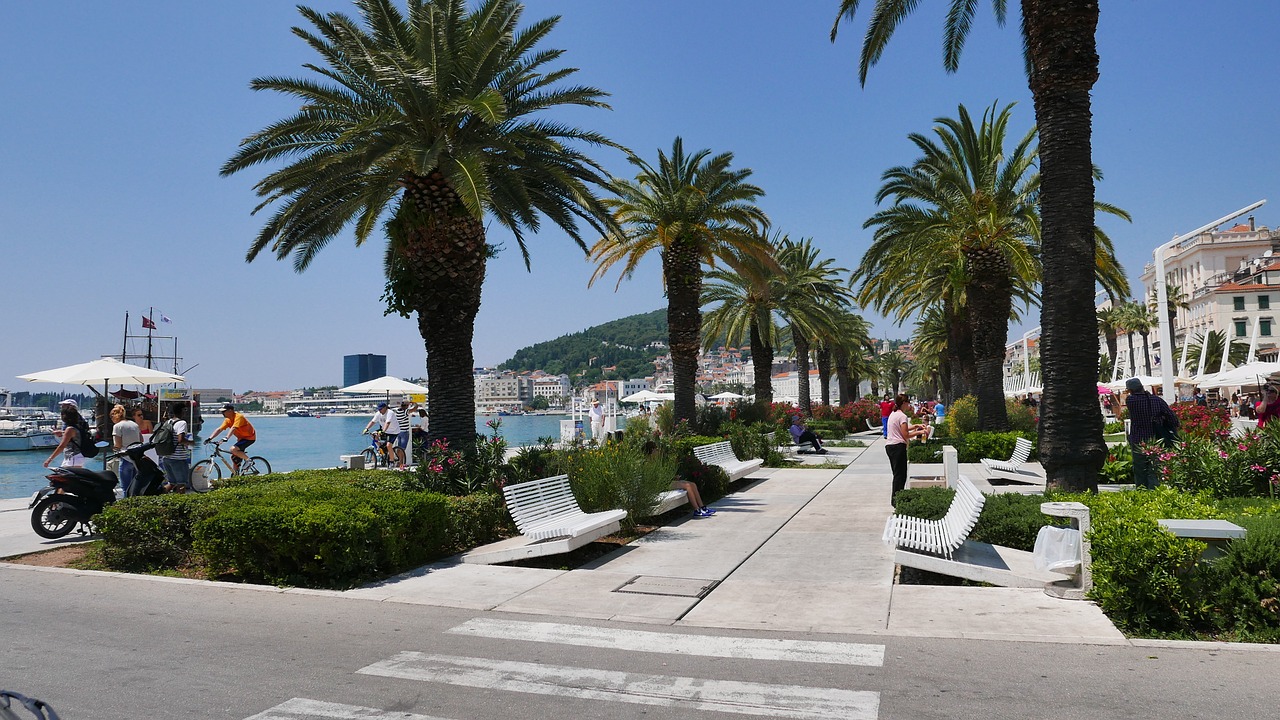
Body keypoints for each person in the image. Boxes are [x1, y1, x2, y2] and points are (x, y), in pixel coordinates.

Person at [1125, 378, 1179, 489]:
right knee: (1154, 467)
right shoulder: (1156, 400)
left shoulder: (1130, 401)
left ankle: (1141, 490)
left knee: (1140, 467)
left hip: (1138, 438)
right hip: (1156, 437)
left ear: (1130, 390)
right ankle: (1153, 490)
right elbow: (1171, 415)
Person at [886, 394, 928, 498]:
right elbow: (905, 434)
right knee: (900, 475)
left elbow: (901, 429)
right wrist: (921, 431)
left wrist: (915, 426)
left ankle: (897, 498)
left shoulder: (894, 414)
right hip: (898, 447)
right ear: (904, 403)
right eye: (907, 403)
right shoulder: (902, 416)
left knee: (897, 474)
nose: (908, 405)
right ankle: (897, 499)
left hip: (890, 446)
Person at [206, 403, 256, 473]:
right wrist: (209, 438)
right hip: (241, 439)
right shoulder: (228, 420)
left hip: (249, 438)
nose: (222, 413)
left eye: (224, 411)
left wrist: (227, 437)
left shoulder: (239, 417)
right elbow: (219, 429)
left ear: (230, 411)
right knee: (235, 458)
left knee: (233, 449)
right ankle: (236, 476)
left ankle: (249, 461)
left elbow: (233, 428)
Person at [160, 404, 194, 492]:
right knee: (181, 484)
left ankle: (159, 497)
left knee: (171, 483)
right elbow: (180, 439)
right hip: (178, 458)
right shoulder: (182, 423)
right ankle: (180, 504)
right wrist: (191, 443)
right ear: (182, 411)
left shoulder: (168, 422)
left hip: (166, 458)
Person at [45, 399, 87, 469]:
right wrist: (63, 433)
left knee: (67, 477)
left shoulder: (70, 428)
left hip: (73, 456)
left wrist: (49, 459)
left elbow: (62, 446)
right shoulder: (76, 424)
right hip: (73, 457)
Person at [110, 404, 141, 495]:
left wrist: (114, 449)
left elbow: (118, 445)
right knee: (135, 489)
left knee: (126, 489)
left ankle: (127, 507)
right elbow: (141, 440)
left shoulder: (117, 426)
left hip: (125, 458)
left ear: (114, 416)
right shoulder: (134, 424)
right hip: (136, 459)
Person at [392, 398, 417, 469]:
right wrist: (414, 402)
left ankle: (399, 462)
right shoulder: (405, 411)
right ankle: (401, 464)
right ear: (407, 406)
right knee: (402, 449)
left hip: (398, 432)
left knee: (399, 448)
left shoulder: (397, 411)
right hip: (405, 432)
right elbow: (415, 408)